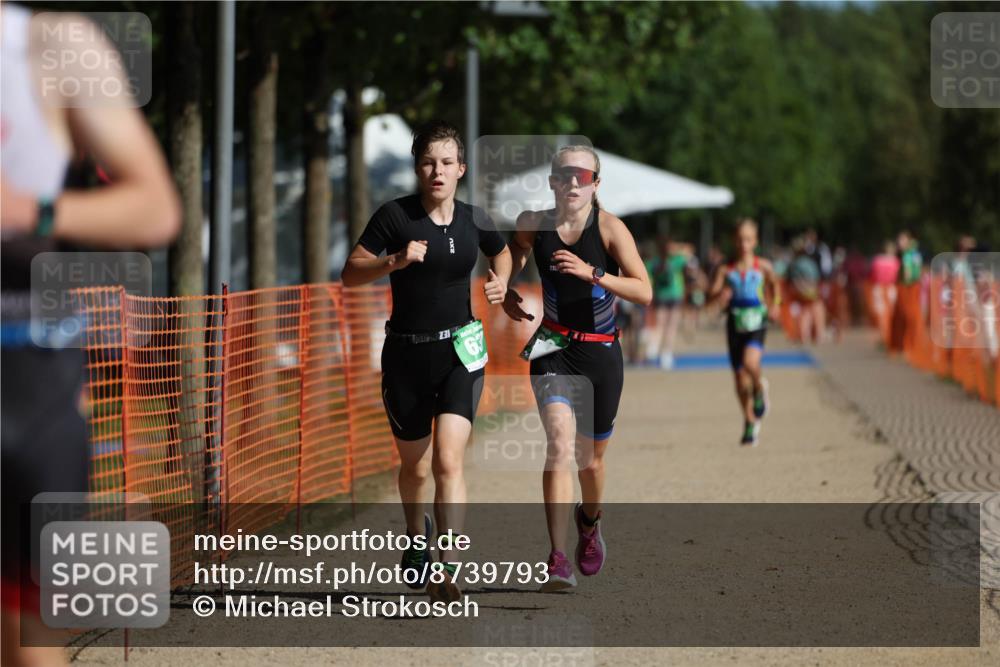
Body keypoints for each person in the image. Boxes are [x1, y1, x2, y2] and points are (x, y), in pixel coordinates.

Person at [1, 7, 180, 665]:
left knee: (26, 644)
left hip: (26, 384)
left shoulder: (53, 44)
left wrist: (28, 209)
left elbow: (156, 206)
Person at [341, 120, 511, 603]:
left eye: (446, 162)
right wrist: (392, 260)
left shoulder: (474, 219)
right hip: (406, 356)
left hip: (461, 350)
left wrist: (500, 282)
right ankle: (416, 537)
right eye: (427, 162)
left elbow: (500, 256)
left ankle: (449, 566)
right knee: (414, 468)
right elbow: (350, 274)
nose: (437, 171)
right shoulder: (395, 217)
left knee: (448, 459)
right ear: (418, 168)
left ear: (462, 168)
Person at [502, 145, 652, 591]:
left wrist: (594, 274)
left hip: (601, 353)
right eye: (564, 174)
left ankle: (589, 521)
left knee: (591, 460)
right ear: (552, 181)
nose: (573, 182)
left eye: (582, 176)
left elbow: (644, 291)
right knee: (559, 444)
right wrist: (508, 282)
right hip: (552, 346)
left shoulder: (609, 229)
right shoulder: (534, 222)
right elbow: (515, 247)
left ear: (595, 185)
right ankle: (557, 556)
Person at [708, 219, 780, 446]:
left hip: (757, 321)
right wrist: (720, 295)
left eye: (748, 239)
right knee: (739, 379)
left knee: (751, 364)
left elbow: (775, 285)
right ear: (734, 241)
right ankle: (749, 421)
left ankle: (759, 387)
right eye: (739, 239)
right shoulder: (725, 269)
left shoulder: (763, 266)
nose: (743, 244)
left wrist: (775, 304)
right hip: (735, 324)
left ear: (755, 241)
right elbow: (712, 293)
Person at [645, 237, 687, 368]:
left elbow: (688, 252)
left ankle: (666, 352)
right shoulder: (656, 262)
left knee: (670, 326)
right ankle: (657, 348)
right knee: (661, 324)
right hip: (663, 296)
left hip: (675, 296)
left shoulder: (677, 260)